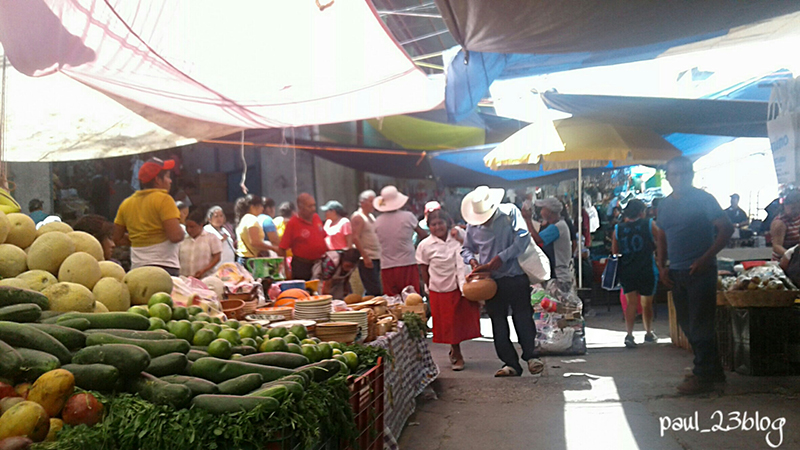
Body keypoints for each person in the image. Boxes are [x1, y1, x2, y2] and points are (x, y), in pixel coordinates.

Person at [657, 156, 733, 395]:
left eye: (684, 174)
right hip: (677, 272)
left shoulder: (704, 199)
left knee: (700, 325)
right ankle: (714, 371)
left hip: (701, 272)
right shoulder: (664, 204)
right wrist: (662, 265)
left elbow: (726, 228)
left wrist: (706, 257)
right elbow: (661, 235)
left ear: (692, 174)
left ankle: (702, 377)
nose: (679, 178)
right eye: (674, 174)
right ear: (667, 177)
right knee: (687, 325)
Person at [461, 186, 543, 377]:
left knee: (522, 317)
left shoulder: (510, 213)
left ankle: (531, 356)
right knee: (498, 323)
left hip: (515, 275)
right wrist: (472, 261)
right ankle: (510, 363)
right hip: (491, 282)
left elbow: (523, 238)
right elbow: (466, 249)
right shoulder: (473, 225)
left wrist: (502, 258)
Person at [417, 209, 480, 371]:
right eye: (433, 224)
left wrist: (460, 237)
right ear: (428, 226)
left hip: (462, 285)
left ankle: (455, 348)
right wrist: (428, 286)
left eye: (440, 223)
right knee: (449, 323)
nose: (437, 227)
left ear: (447, 223)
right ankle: (457, 353)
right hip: (440, 288)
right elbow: (423, 269)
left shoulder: (457, 236)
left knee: (461, 321)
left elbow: (474, 248)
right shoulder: (425, 245)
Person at [113, 157, 184, 275]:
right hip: (164, 267)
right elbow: (175, 236)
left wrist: (140, 239)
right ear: (157, 180)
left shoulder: (126, 203)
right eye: (167, 176)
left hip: (137, 269)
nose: (170, 181)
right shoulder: (164, 199)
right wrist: (182, 230)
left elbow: (117, 238)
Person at [611, 199, 660, 348]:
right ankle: (648, 332)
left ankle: (629, 334)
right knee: (647, 303)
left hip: (627, 270)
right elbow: (661, 242)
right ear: (641, 212)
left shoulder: (618, 229)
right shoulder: (649, 224)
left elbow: (615, 252)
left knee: (631, 303)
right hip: (646, 268)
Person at [373, 186, 428, 296]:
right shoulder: (408, 217)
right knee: (412, 299)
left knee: (392, 301)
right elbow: (423, 234)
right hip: (407, 262)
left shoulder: (377, 221)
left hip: (386, 265)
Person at [278, 193, 328, 281]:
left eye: (314, 205)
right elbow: (282, 248)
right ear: (300, 207)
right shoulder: (293, 223)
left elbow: (323, 237)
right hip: (301, 266)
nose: (313, 209)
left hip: (319, 263)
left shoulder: (316, 218)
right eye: (309, 206)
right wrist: (286, 270)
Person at [529, 198, 573, 291]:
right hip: (557, 276)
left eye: (543, 209)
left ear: (549, 212)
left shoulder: (558, 227)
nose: (541, 212)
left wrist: (528, 220)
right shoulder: (558, 225)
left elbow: (537, 240)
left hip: (559, 278)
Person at [351, 190, 382, 296]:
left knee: (375, 287)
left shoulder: (371, 217)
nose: (373, 205)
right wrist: (365, 257)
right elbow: (355, 237)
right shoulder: (358, 217)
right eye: (370, 201)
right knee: (374, 289)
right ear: (362, 203)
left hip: (376, 256)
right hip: (367, 257)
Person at [235, 194, 279, 265]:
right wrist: (273, 248)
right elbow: (255, 242)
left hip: (243, 258)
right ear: (253, 207)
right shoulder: (252, 220)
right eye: (261, 206)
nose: (262, 209)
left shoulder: (244, 218)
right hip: (250, 261)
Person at [179, 209, 222, 279]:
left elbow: (217, 257)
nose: (189, 230)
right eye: (187, 227)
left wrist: (203, 270)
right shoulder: (182, 239)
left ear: (201, 225)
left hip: (206, 278)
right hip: (185, 279)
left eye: (192, 227)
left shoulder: (211, 238)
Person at [204, 206, 236, 272]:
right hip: (217, 266)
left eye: (221, 216)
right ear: (209, 219)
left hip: (229, 264)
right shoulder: (207, 229)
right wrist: (221, 240)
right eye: (216, 216)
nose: (219, 219)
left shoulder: (224, 230)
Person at [770, 190, 800, 261]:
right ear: (785, 206)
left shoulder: (797, 217)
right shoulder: (780, 223)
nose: (796, 211)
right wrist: (792, 256)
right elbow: (777, 246)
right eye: (793, 208)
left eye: (798, 208)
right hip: (783, 261)